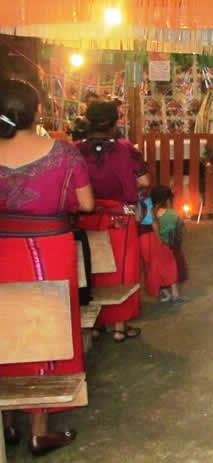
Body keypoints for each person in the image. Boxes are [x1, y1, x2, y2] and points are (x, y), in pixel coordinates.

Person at [0, 78, 94, 456]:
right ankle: (39, 430)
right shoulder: (64, 153)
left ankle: (7, 425)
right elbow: (86, 204)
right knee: (45, 325)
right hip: (48, 248)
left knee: (5, 324)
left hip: (2, 247)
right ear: (37, 112)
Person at [75, 102, 150, 342]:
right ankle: (119, 327)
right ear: (115, 121)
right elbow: (145, 182)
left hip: (86, 216)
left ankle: (96, 325)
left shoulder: (75, 150)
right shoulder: (126, 149)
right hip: (119, 217)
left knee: (92, 268)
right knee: (121, 269)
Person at [148, 185, 188, 303]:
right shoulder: (172, 213)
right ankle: (175, 294)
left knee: (162, 270)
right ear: (167, 200)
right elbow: (181, 227)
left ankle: (167, 294)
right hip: (172, 246)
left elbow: (154, 229)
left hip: (158, 246)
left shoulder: (152, 213)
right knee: (174, 269)